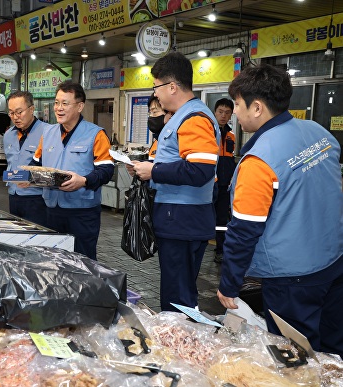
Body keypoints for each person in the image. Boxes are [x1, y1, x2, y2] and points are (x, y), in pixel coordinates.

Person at [217, 64, 342, 356]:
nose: (234, 112)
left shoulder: (259, 160)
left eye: (237, 105)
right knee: (333, 348)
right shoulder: (319, 133)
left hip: (292, 279)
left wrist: (229, 285)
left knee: (296, 355)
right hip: (335, 261)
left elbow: (244, 230)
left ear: (257, 107)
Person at [131, 52, 220, 312]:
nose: (155, 94)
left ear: (172, 86)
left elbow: (200, 169)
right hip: (178, 217)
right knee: (176, 289)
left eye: (157, 87)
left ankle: (179, 346)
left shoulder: (193, 118)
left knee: (177, 296)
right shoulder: (180, 116)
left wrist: (154, 171)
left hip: (183, 218)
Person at [32, 81, 114, 260]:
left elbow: (106, 170)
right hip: (51, 209)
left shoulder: (95, 134)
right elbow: (36, 163)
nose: (58, 108)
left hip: (82, 212)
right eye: (56, 103)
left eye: (65, 103)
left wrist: (83, 180)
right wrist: (28, 177)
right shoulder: (48, 133)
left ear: (80, 106)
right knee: (53, 260)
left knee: (83, 262)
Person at [4, 90, 50, 227]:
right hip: (14, 196)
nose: (15, 117)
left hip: (37, 199)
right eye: (11, 113)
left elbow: (54, 168)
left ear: (32, 109)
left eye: (19, 112)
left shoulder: (49, 132)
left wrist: (32, 179)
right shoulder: (8, 135)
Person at [212, 98, 236, 263]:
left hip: (225, 184)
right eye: (220, 111)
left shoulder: (231, 135)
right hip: (210, 183)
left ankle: (220, 249)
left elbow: (230, 160)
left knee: (222, 219)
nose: (223, 115)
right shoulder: (209, 131)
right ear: (215, 112)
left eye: (227, 113)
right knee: (206, 215)